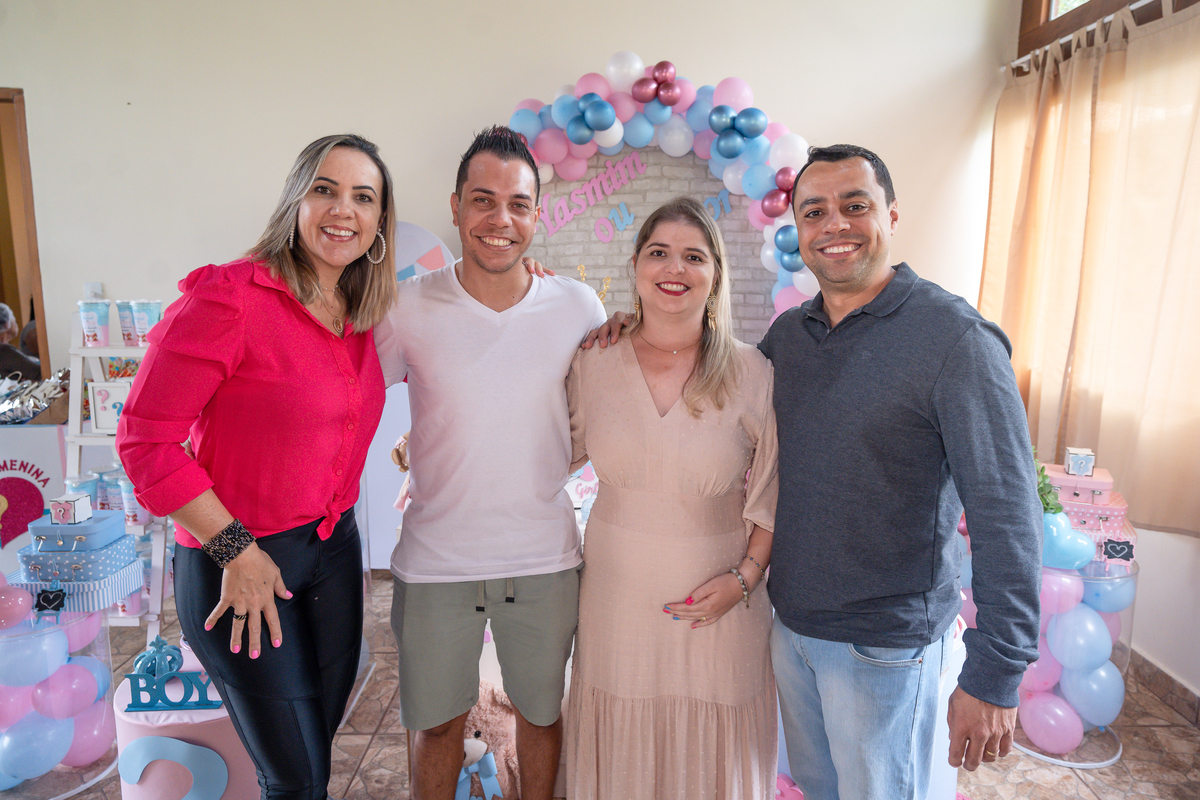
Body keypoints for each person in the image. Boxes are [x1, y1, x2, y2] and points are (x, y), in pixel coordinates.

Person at [116, 133, 397, 800]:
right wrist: (237, 551)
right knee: (295, 778)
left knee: (313, 754)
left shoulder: (360, 312)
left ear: (379, 222)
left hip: (331, 551)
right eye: (325, 189)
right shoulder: (229, 298)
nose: (343, 209)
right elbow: (145, 441)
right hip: (237, 560)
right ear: (295, 200)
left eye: (363, 197)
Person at [757, 145, 1042, 800]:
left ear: (890, 214)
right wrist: (634, 332)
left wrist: (996, 674)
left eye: (854, 205)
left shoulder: (955, 340)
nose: (834, 224)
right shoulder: (789, 337)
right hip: (792, 631)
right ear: (798, 229)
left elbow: (1006, 513)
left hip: (884, 650)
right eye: (814, 211)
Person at [373, 126, 607, 800]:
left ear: (536, 214)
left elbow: (603, 399)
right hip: (435, 559)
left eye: (517, 204)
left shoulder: (577, 306)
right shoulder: (407, 308)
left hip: (543, 557)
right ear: (456, 206)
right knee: (436, 725)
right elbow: (344, 398)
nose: (499, 219)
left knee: (542, 715)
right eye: (483, 200)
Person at [564, 196, 778, 798]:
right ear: (635, 265)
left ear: (716, 274)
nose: (674, 269)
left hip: (721, 608)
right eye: (658, 252)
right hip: (616, 605)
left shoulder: (752, 372)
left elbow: (773, 493)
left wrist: (744, 580)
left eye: (694, 256)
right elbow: (546, 453)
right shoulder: (592, 362)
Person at [0, 302, 39, 379]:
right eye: (12, 316)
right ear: (6, 323)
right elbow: (39, 373)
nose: (15, 320)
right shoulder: (4, 351)